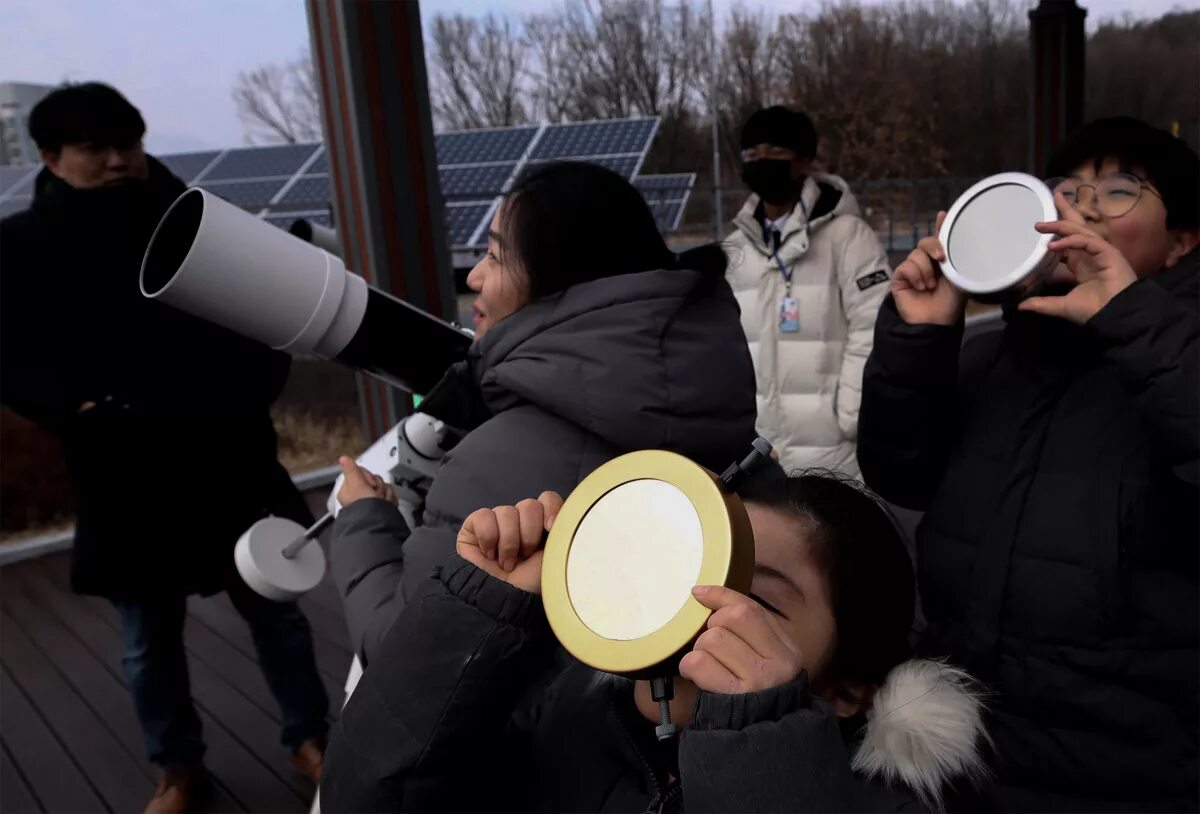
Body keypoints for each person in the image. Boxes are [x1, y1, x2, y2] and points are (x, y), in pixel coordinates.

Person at [0, 83, 330, 813]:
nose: (121, 160)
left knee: (276, 608)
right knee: (148, 636)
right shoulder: (19, 247)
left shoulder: (204, 224)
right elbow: (12, 355)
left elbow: (265, 316)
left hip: (230, 456)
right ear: (51, 158)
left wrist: (249, 390)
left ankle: (315, 741)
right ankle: (177, 769)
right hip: (126, 469)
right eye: (97, 148)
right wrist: (79, 410)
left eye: (131, 142)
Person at [857, 117, 1199, 811]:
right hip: (962, 757)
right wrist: (920, 338)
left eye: (1120, 189)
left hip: (1136, 771)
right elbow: (900, 476)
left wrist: (1133, 320)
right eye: (1066, 188)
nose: (1081, 206)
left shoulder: (1179, 361)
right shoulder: (994, 356)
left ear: (1182, 243)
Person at [320, 463, 988, 812]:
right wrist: (481, 612)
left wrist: (754, 746)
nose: (693, 608)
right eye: (695, 564)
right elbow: (371, 796)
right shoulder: (571, 724)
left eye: (748, 599)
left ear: (844, 691)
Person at [331, 161, 758, 666]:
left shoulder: (496, 465)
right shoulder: (707, 391)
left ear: (558, 282)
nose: (474, 276)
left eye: (494, 255)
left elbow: (400, 654)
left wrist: (364, 518)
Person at [724, 106, 891, 478]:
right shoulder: (735, 248)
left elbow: (873, 328)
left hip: (834, 447)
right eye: (752, 155)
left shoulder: (848, 236)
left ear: (803, 160)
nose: (762, 162)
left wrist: (849, 415)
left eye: (775, 153)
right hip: (761, 450)